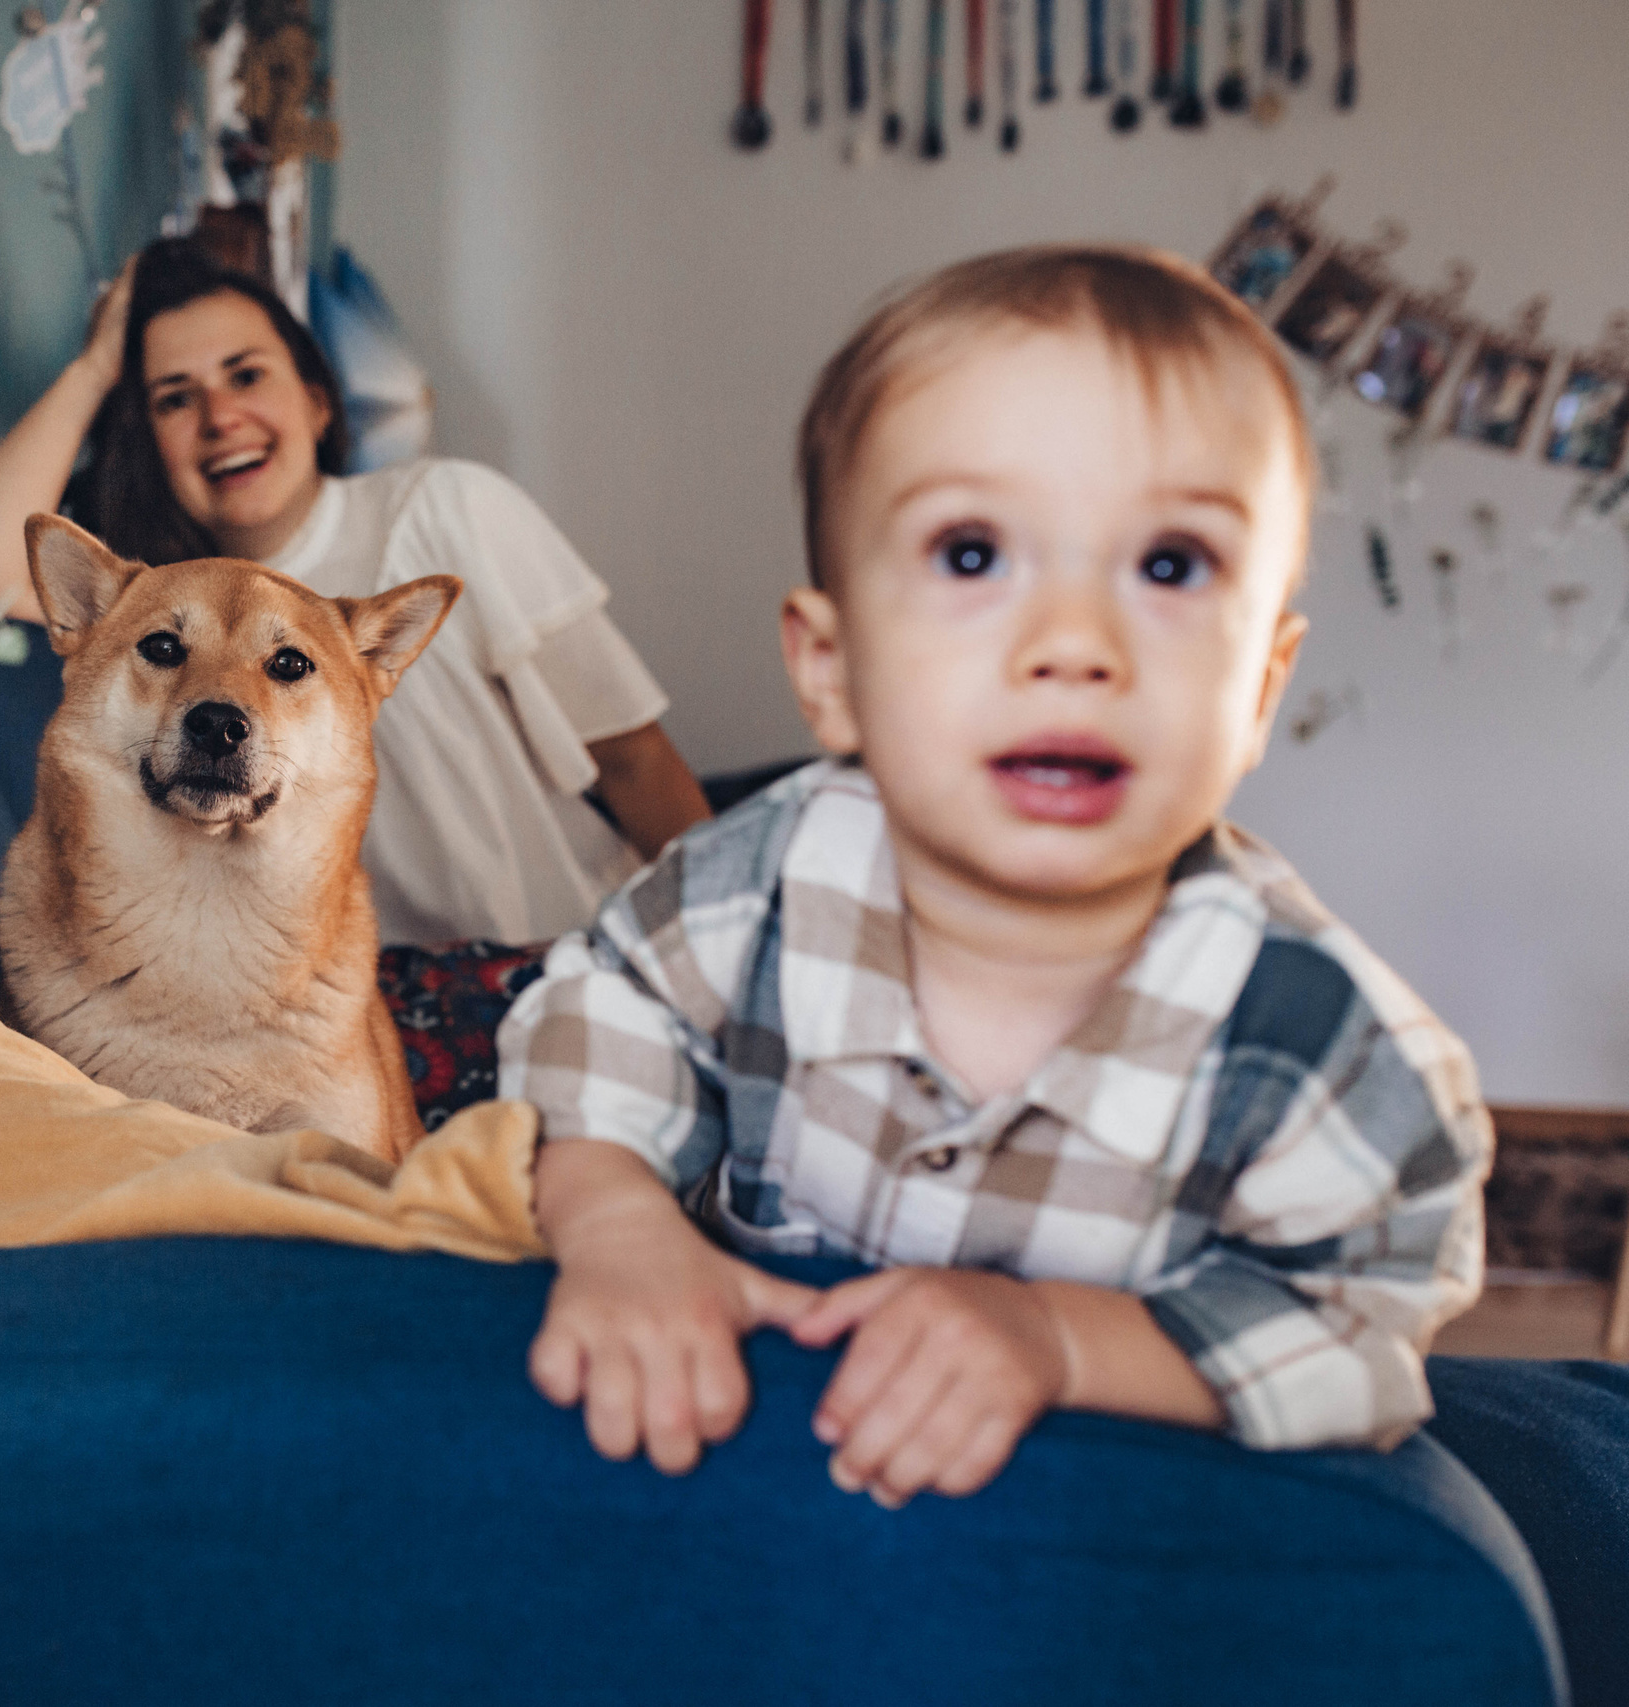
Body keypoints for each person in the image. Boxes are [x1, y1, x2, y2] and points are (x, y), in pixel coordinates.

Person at [497, 246, 1490, 1503]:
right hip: (750, 1499)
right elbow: (595, 1018)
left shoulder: (1320, 1043)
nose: (1074, 644)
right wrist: (618, 1225)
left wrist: (1058, 1338)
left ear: (1261, 693)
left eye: (1170, 565)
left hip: (1095, 1564)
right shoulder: (761, 883)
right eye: (971, 555)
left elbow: (1361, 1332)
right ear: (832, 669)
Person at [0, 239, 710, 946]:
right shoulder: (145, 612)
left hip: (577, 951)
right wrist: (96, 367)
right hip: (351, 1005)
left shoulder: (446, 511)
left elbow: (635, 760)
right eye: (175, 397)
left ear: (317, 400)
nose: (221, 416)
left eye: (246, 374)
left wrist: (724, 949)